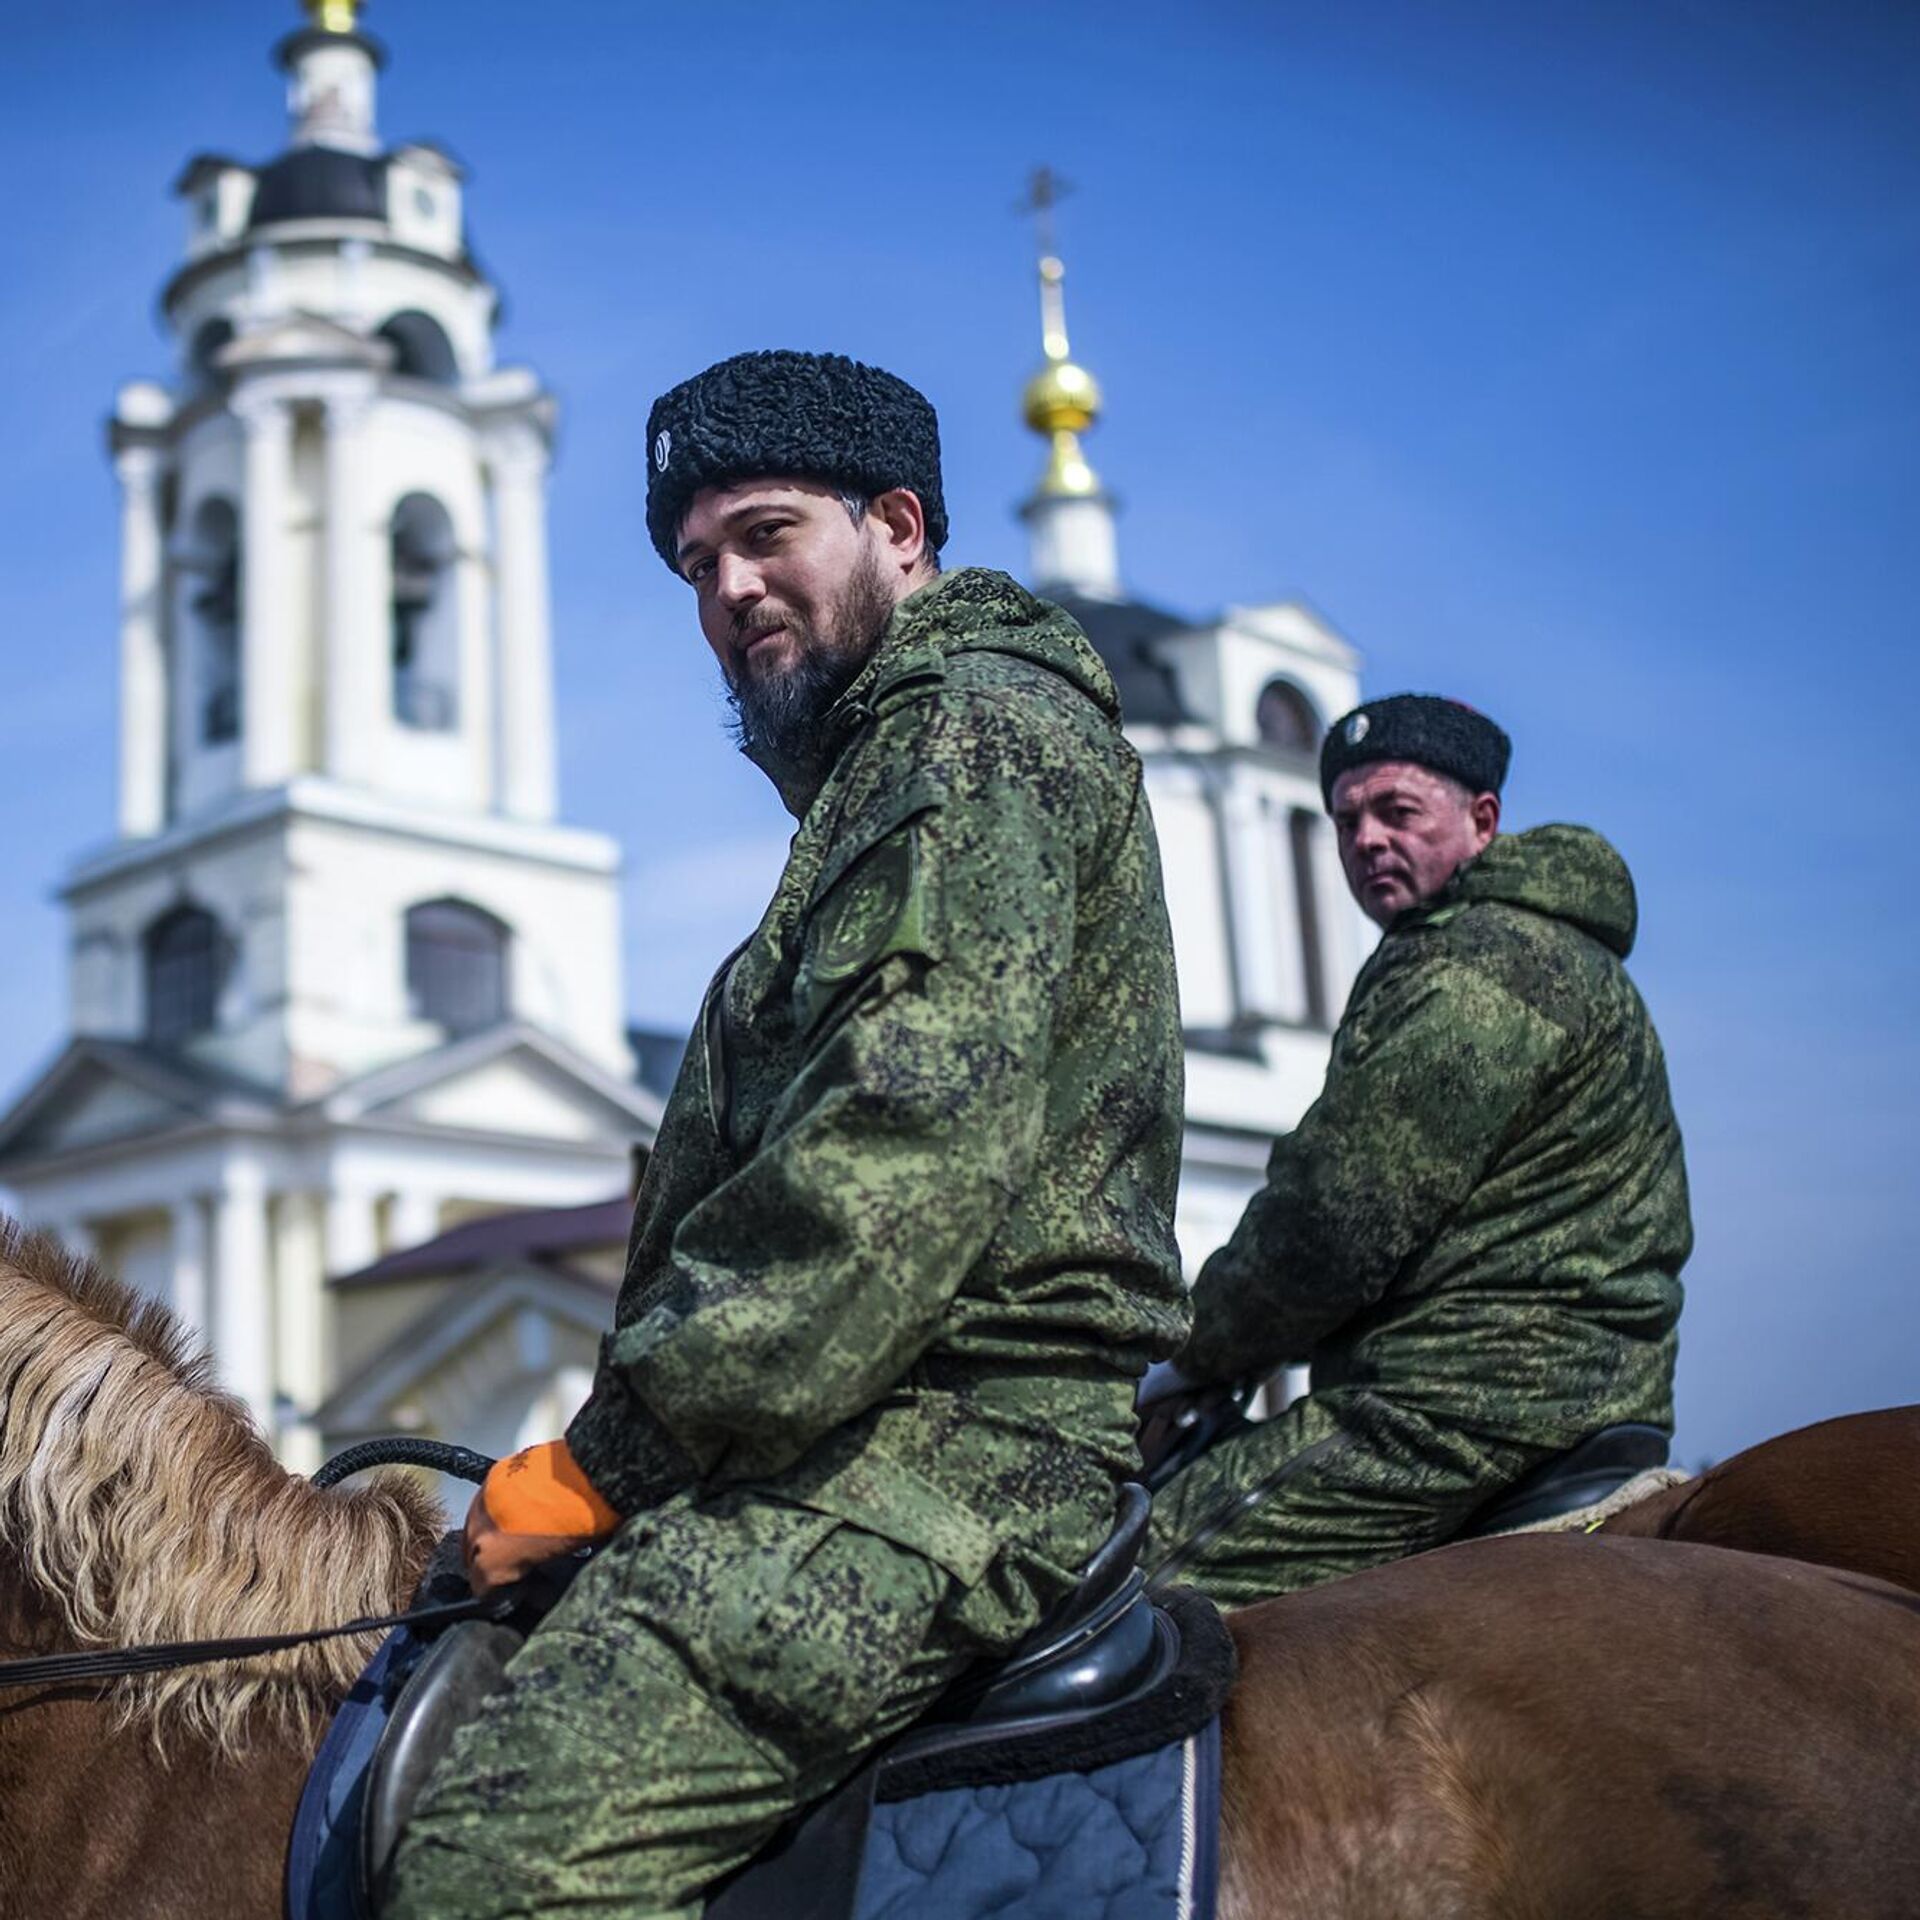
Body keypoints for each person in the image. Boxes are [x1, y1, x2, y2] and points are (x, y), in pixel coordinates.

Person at [384, 350, 1187, 1920]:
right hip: (864, 1431)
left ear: (899, 526)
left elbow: (883, 1175)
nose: (731, 587)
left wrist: (599, 1467)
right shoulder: (893, 763)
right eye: (699, 564)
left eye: (767, 534)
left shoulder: (964, 741)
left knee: (489, 1871)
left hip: (952, 1458)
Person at [1142, 693, 1691, 1605]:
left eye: (1397, 812)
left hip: (1468, 1399)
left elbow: (1338, 1216)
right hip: (1545, 1382)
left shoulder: (1483, 964)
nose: (1366, 840)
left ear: (1481, 822)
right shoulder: (1502, 947)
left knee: (1121, 1590)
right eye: (1346, 820)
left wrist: (1194, 1358)